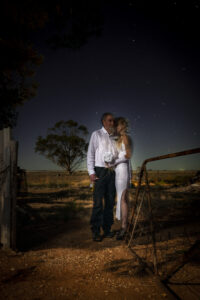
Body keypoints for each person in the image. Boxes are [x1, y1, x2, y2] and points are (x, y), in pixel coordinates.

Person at [87, 112, 118, 241]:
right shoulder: (96, 134)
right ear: (104, 122)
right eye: (110, 121)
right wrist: (91, 172)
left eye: (113, 121)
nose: (112, 123)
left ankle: (107, 228)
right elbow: (90, 153)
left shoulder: (115, 137)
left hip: (112, 171)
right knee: (98, 202)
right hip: (100, 171)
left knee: (110, 202)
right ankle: (95, 230)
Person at [113, 117, 132, 240]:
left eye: (118, 125)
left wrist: (115, 161)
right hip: (118, 171)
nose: (116, 128)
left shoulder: (125, 137)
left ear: (123, 126)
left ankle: (125, 228)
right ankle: (123, 226)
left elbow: (128, 155)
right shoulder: (118, 140)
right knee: (120, 199)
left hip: (123, 170)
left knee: (123, 198)